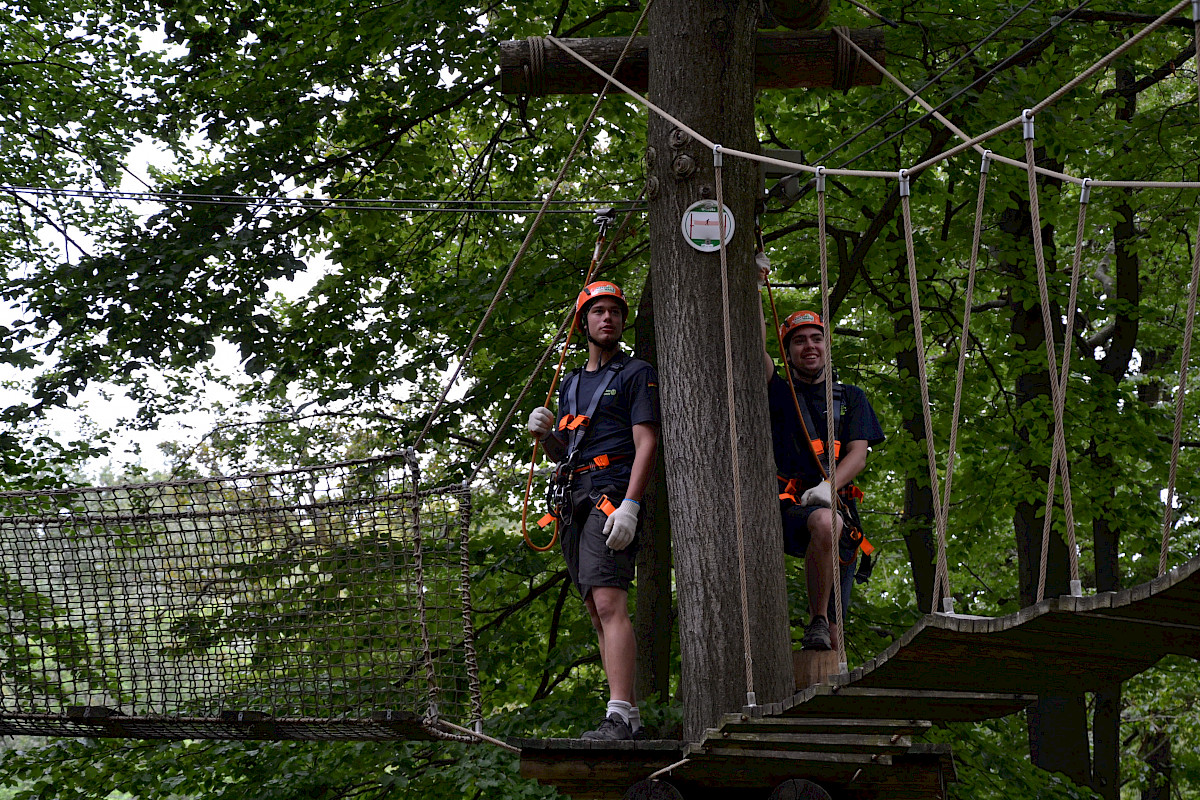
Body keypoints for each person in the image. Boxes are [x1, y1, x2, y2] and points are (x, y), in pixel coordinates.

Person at [527, 280, 660, 741]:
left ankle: (619, 712)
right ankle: (628, 713)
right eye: (599, 312)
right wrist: (547, 435)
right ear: (584, 323)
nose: (608, 318)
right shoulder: (571, 383)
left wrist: (631, 505)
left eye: (615, 312)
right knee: (593, 607)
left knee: (609, 600)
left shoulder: (635, 372)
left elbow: (647, 442)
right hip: (574, 497)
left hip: (610, 491)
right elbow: (566, 452)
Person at [759, 262, 884, 652]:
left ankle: (823, 644)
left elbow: (857, 456)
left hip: (832, 504)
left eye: (817, 338)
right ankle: (814, 620)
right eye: (799, 341)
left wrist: (830, 487)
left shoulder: (849, 399)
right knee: (827, 524)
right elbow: (751, 343)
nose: (810, 346)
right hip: (785, 508)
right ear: (787, 350)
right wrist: (754, 285)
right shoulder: (776, 392)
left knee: (837, 629)